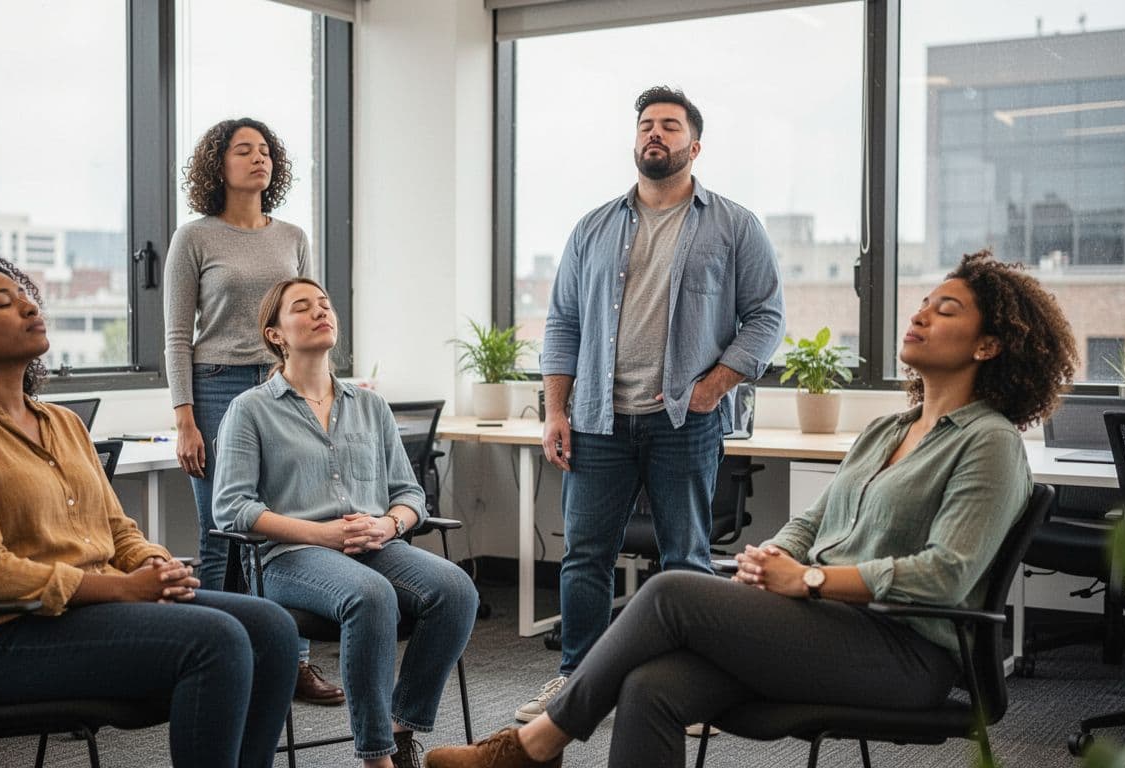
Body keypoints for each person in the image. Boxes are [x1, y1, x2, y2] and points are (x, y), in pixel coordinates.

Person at [425, 250, 1079, 768]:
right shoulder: (890, 428)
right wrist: (780, 555)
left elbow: (947, 574)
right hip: (826, 627)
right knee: (651, 688)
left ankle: (536, 744)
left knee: (674, 591)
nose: (921, 315)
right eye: (925, 303)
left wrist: (812, 579)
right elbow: (817, 522)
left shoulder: (990, 443)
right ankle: (540, 745)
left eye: (946, 310)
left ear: (989, 345)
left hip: (905, 653)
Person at [0, 254, 298, 768]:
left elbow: (116, 530)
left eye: (25, 296)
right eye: (4, 302)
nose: (28, 306)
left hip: (96, 612)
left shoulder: (63, 423)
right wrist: (125, 589)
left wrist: (155, 566)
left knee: (272, 628)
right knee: (215, 640)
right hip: (5, 638)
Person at [519, 85, 785, 722]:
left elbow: (766, 318)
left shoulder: (734, 224)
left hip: (682, 423)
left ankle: (685, 689)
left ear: (694, 145)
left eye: (669, 126)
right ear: (635, 140)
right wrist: (556, 410)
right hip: (598, 423)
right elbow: (562, 324)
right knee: (585, 557)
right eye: (646, 125)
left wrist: (713, 386)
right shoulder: (594, 227)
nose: (654, 135)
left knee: (686, 561)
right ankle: (575, 681)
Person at [213, 277, 479, 768]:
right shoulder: (249, 411)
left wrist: (389, 526)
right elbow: (232, 508)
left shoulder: (370, 406)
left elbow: (409, 495)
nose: (321, 312)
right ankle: (376, 756)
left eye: (325, 304)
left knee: (457, 590)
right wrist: (322, 534)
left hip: (374, 545)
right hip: (289, 558)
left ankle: (400, 728)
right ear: (276, 335)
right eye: (302, 307)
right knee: (371, 596)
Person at [164, 117, 342, 705]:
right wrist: (185, 418)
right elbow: (176, 337)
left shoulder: (291, 235)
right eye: (243, 150)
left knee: (292, 522)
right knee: (222, 531)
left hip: (281, 380)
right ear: (219, 166)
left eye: (265, 150)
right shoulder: (194, 238)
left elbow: (307, 308)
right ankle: (207, 659)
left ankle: (291, 663)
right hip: (215, 386)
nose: (257, 158)